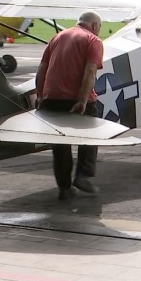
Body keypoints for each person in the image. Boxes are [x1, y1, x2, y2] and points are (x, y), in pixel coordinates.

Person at [35, 11, 104, 200]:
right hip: (76, 99)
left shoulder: (57, 37)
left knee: (60, 146)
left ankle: (64, 188)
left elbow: (42, 68)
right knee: (90, 136)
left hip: (52, 98)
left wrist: (41, 96)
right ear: (95, 25)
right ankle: (83, 176)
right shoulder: (93, 40)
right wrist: (82, 100)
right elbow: (90, 71)